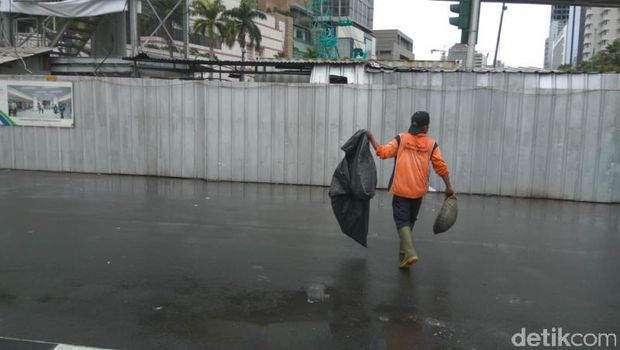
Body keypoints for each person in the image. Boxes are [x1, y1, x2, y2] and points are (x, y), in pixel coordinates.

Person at [367, 111, 455, 269]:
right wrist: (448, 186)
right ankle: (404, 249)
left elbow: (382, 152)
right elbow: (441, 167)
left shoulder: (401, 139)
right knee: (410, 219)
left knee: (401, 220)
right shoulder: (432, 144)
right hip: (419, 190)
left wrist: (370, 137)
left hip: (401, 188)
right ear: (426, 127)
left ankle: (409, 251)